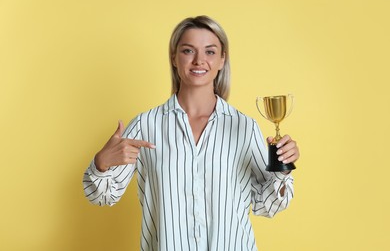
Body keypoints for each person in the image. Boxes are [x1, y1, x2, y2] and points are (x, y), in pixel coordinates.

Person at [83, 15, 299, 251]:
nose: (199, 61)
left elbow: (265, 206)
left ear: (221, 60)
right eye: (188, 51)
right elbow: (102, 197)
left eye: (210, 52)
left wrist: (282, 170)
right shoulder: (146, 126)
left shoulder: (244, 128)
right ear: (174, 58)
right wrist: (101, 163)